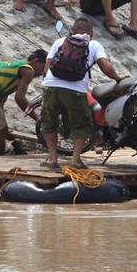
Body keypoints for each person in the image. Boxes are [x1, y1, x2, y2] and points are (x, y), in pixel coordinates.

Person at [39, 17, 124, 169]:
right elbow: (105, 66)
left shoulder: (60, 41)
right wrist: (118, 78)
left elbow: (47, 66)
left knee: (48, 122)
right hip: (75, 90)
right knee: (82, 124)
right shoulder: (93, 44)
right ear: (91, 33)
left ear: (72, 31)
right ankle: (75, 160)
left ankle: (53, 159)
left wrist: (48, 85)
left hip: (51, 86)